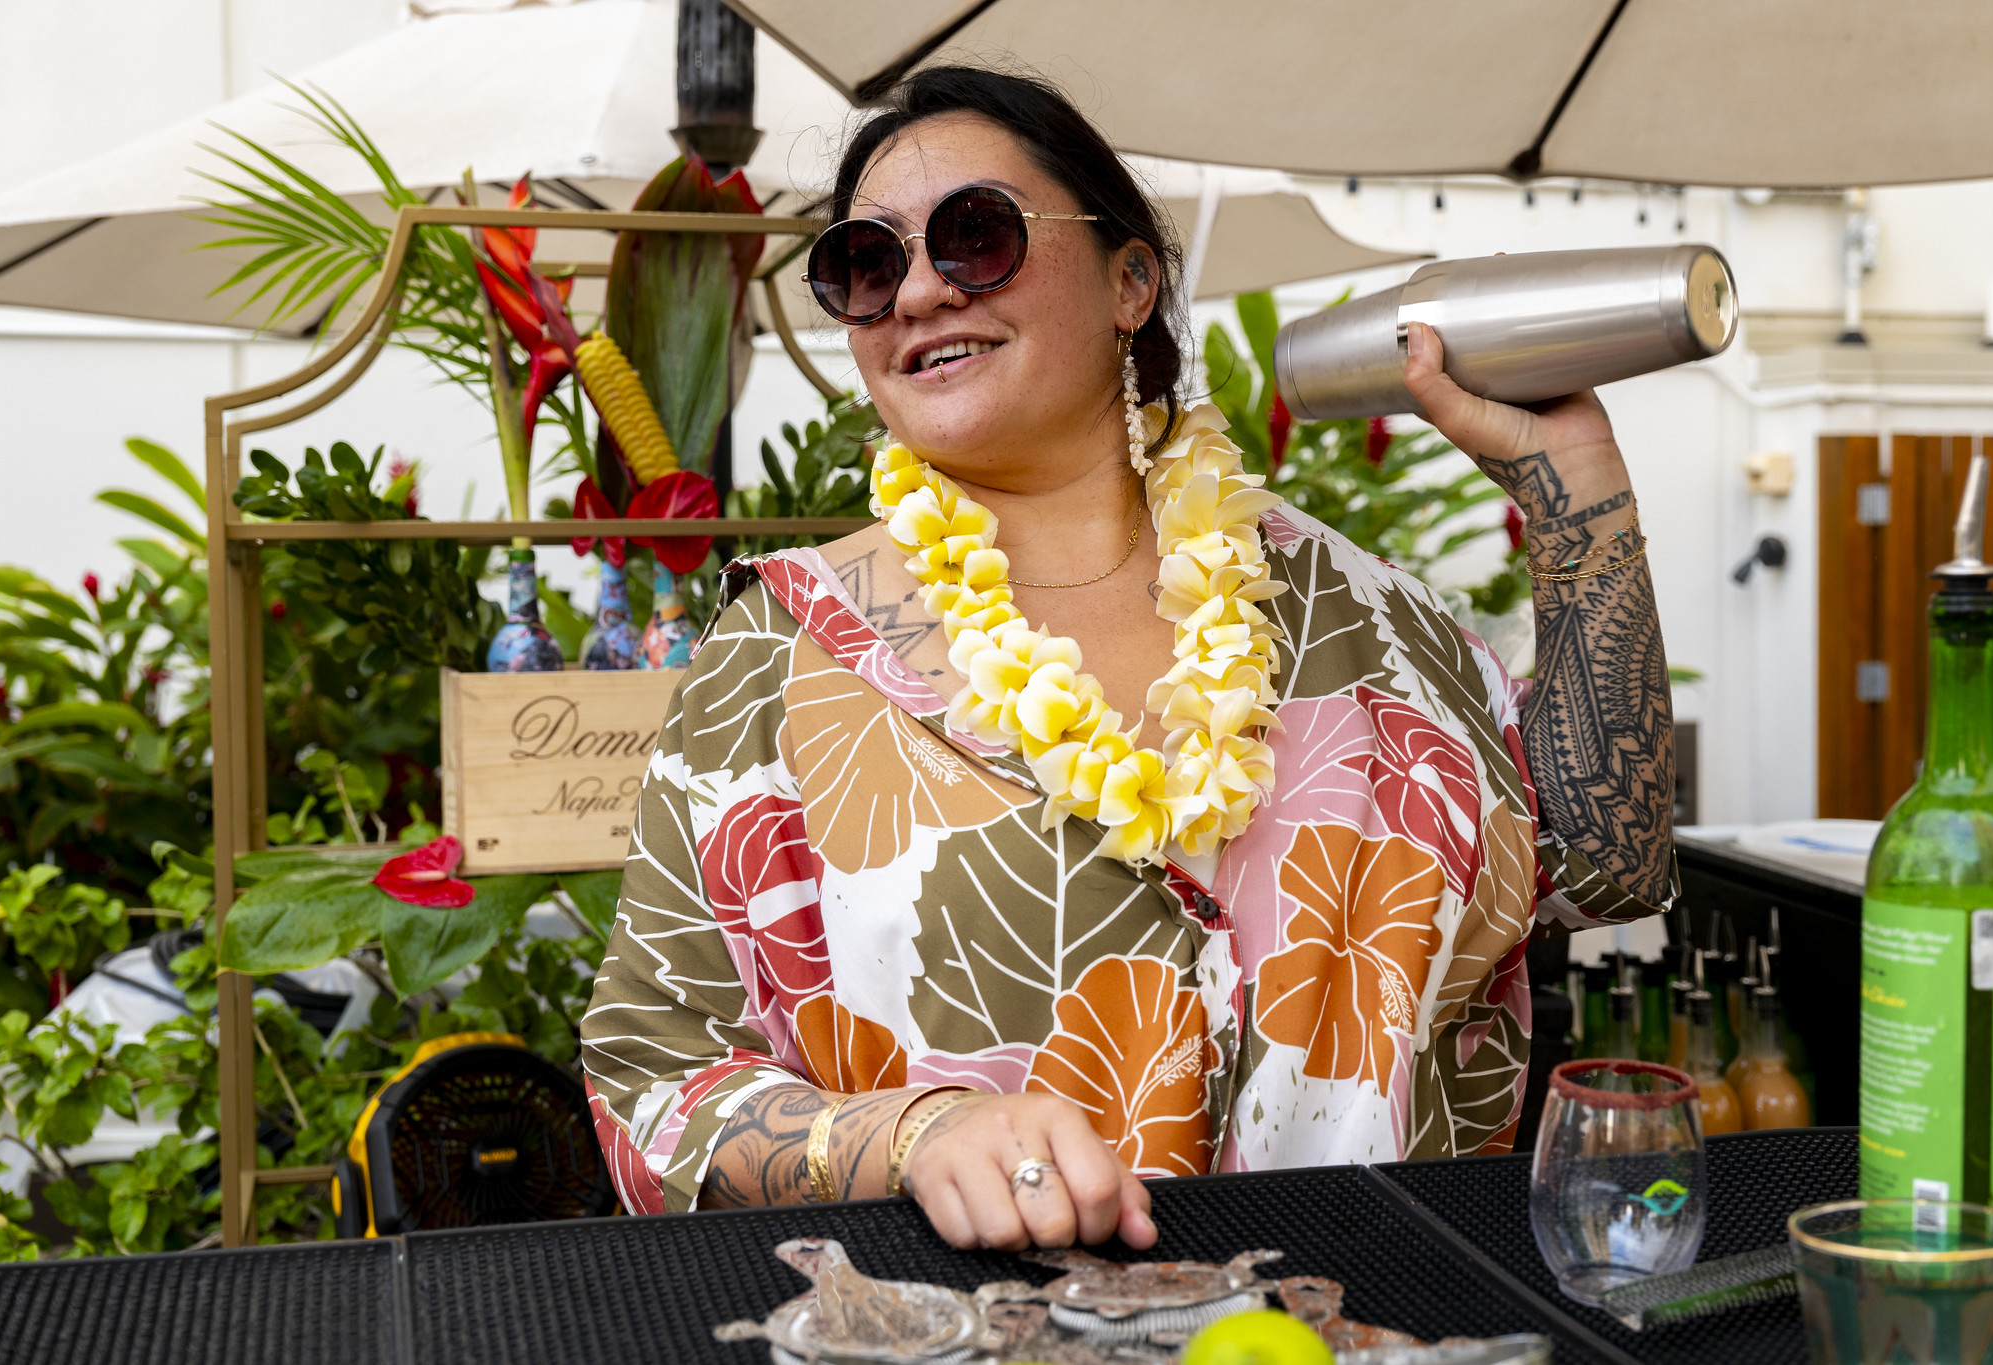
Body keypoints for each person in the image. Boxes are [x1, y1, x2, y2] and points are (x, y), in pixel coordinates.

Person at [582, 66, 1673, 1253]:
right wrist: (912, 1135)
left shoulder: (1357, 611)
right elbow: (653, 1079)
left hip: (1365, 1317)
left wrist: (1576, 489)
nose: (918, 293)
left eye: (976, 235)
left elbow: (1605, 861)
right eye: (865, 263)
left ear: (1129, 279)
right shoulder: (783, 651)